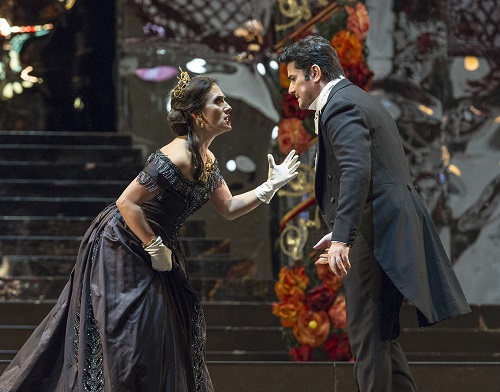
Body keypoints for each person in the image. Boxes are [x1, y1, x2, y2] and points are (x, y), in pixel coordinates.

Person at [0, 70, 300, 392]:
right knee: (131, 333)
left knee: (161, 332)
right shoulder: (176, 156)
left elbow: (227, 208)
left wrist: (268, 188)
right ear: (198, 115)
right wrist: (155, 247)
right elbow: (127, 203)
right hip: (124, 243)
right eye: (219, 101)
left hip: (156, 246)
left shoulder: (207, 159)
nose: (228, 107)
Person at [278, 35, 471, 391]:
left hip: (378, 230)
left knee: (368, 335)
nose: (291, 89)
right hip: (380, 225)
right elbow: (366, 172)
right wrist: (340, 227)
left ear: (315, 73)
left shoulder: (340, 106)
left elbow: (356, 170)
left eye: (293, 78)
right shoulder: (353, 99)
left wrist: (343, 237)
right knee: (380, 335)